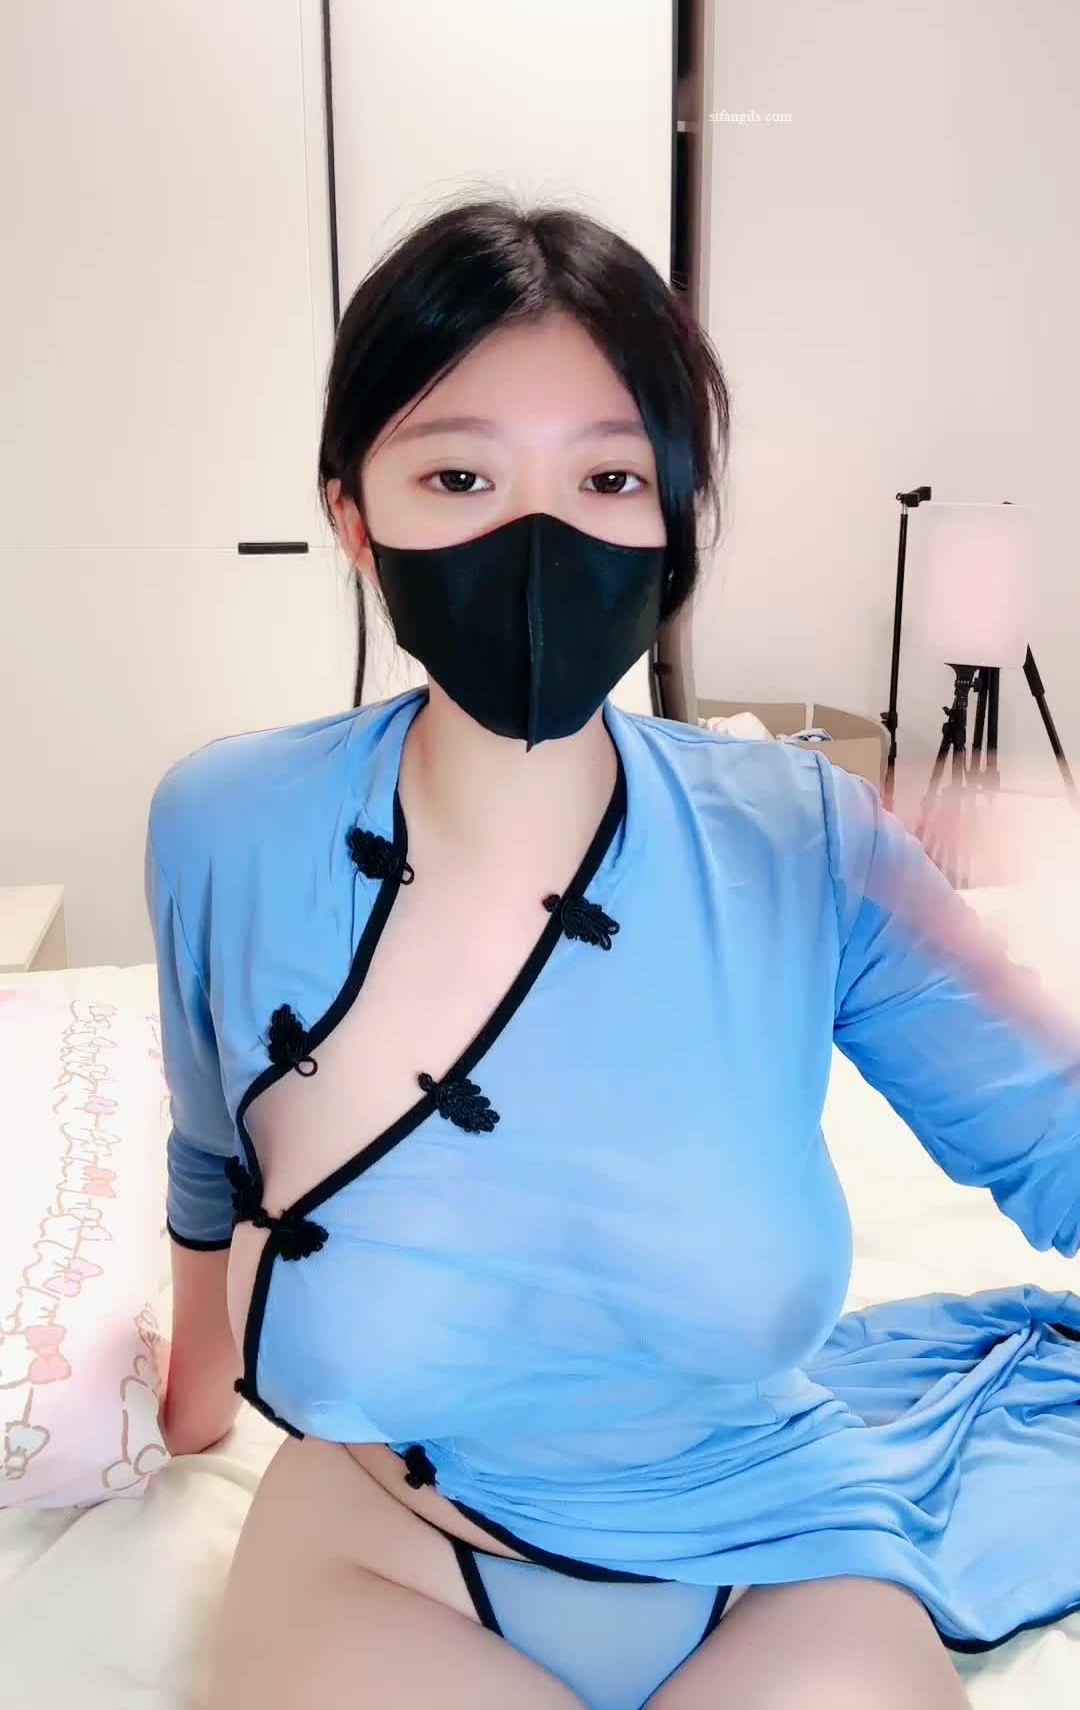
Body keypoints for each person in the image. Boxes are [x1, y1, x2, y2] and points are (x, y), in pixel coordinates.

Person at [146, 197, 1080, 1710]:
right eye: (459, 474)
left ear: (672, 525)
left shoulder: (802, 838)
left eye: (610, 475)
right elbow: (212, 1152)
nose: (540, 538)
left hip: (775, 1545)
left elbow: (1059, 1137)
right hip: (384, 1542)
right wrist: (191, 1404)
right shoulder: (225, 824)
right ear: (352, 513)